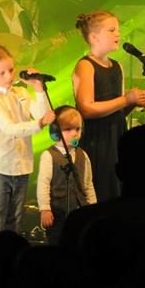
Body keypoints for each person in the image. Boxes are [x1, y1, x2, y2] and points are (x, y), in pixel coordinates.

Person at [72, 11, 145, 202]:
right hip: (96, 140)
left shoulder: (117, 66)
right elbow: (86, 108)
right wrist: (126, 99)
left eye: (118, 30)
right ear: (94, 37)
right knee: (100, 190)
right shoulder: (85, 65)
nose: (118, 34)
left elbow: (116, 111)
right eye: (111, 30)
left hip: (116, 137)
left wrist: (133, 102)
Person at [0, 44, 56, 236]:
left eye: (11, 70)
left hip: (22, 166)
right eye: (2, 73)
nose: (9, 76)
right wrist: (38, 123)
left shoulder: (20, 92)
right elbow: (8, 129)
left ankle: (11, 262)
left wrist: (38, 88)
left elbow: (41, 113)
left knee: (15, 224)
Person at [36, 105, 97, 245]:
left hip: (80, 212)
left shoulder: (83, 155)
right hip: (58, 213)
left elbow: (88, 184)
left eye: (77, 129)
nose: (75, 133)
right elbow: (43, 184)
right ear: (56, 132)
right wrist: (45, 209)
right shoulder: (49, 155)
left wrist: (93, 208)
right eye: (68, 129)